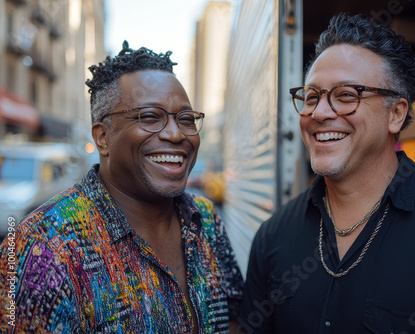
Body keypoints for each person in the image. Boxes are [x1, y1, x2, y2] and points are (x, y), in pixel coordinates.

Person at [238, 13, 415, 334]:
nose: (319, 113)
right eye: (311, 97)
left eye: (346, 95)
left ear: (396, 114)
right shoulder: (273, 236)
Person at [0, 41, 243, 333]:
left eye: (187, 119)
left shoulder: (205, 220)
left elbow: (234, 321)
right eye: (150, 117)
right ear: (103, 138)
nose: (177, 134)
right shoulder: (44, 247)